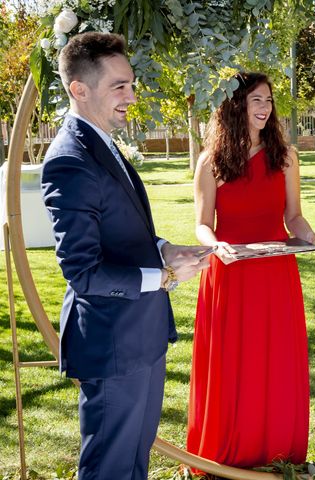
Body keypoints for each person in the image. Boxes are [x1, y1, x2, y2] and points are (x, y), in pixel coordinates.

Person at [40, 32, 209, 480]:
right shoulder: (69, 160)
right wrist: (165, 275)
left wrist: (164, 249)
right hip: (112, 345)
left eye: (131, 84)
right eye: (120, 86)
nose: (131, 96)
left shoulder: (104, 144)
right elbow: (83, 272)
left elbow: (123, 233)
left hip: (142, 338)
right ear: (79, 89)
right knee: (109, 469)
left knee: (133, 463)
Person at [186, 72, 315, 469]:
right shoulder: (211, 161)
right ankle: (227, 451)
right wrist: (215, 245)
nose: (264, 108)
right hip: (230, 274)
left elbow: (293, 215)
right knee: (232, 364)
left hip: (276, 274)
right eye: (256, 100)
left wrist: (306, 232)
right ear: (235, 104)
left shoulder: (286, 156)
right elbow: (202, 224)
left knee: (275, 361)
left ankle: (276, 451)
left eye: (268, 101)